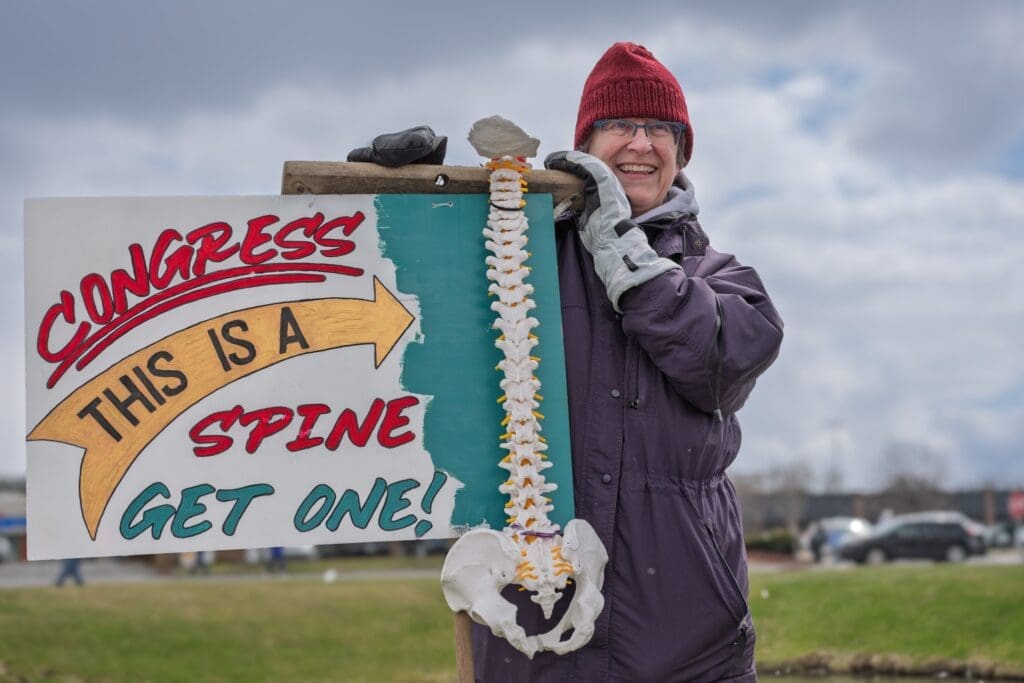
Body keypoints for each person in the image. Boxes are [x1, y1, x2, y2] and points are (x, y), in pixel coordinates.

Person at [469, 42, 784, 681]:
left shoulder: (723, 278)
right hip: (534, 638)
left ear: (682, 153)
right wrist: (392, 211)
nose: (641, 143)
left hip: (691, 645)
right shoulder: (520, 267)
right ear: (585, 143)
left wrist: (624, 257)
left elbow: (721, 363)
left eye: (661, 129)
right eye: (619, 125)